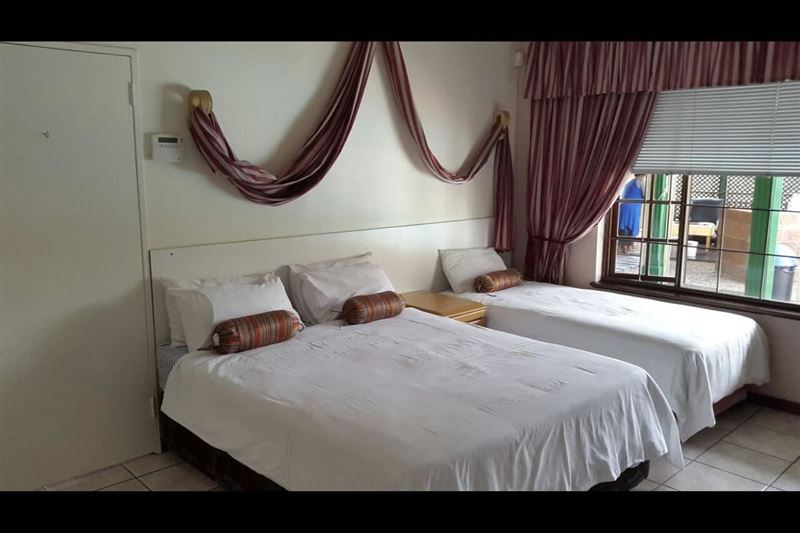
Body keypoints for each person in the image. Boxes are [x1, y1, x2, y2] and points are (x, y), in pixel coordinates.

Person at [618, 175, 645, 254]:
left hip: (624, 206)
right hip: (633, 207)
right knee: (632, 226)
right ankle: (628, 247)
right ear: (642, 175)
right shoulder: (640, 182)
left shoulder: (629, 182)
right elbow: (645, 195)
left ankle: (621, 247)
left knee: (623, 226)